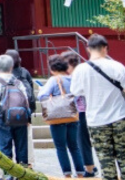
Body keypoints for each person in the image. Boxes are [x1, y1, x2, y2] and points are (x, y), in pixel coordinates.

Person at [71, 34, 125, 180]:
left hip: (96, 120)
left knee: (105, 159)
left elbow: (76, 91)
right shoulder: (117, 66)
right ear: (105, 48)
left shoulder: (81, 70)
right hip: (120, 117)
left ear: (88, 49)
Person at [38, 55, 85, 178]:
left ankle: (67, 174)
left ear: (52, 68)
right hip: (73, 115)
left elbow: (42, 96)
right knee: (74, 146)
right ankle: (80, 173)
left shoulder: (54, 80)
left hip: (57, 117)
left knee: (61, 147)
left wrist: (41, 89)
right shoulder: (72, 79)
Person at [0, 55, 29, 178]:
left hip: (3, 118)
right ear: (11, 67)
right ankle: (23, 174)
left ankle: (8, 175)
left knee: (5, 147)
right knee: (21, 147)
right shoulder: (18, 82)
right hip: (20, 118)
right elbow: (25, 101)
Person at [62, 50, 97, 177]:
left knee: (82, 140)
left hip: (80, 110)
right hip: (89, 109)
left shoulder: (75, 75)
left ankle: (89, 169)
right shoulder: (84, 72)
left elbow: (75, 93)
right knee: (84, 140)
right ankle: (90, 165)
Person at [5, 49, 36, 169]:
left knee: (8, 141)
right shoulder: (25, 72)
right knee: (25, 140)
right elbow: (31, 93)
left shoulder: (6, 74)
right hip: (24, 111)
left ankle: (9, 166)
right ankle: (27, 163)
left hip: (9, 112)